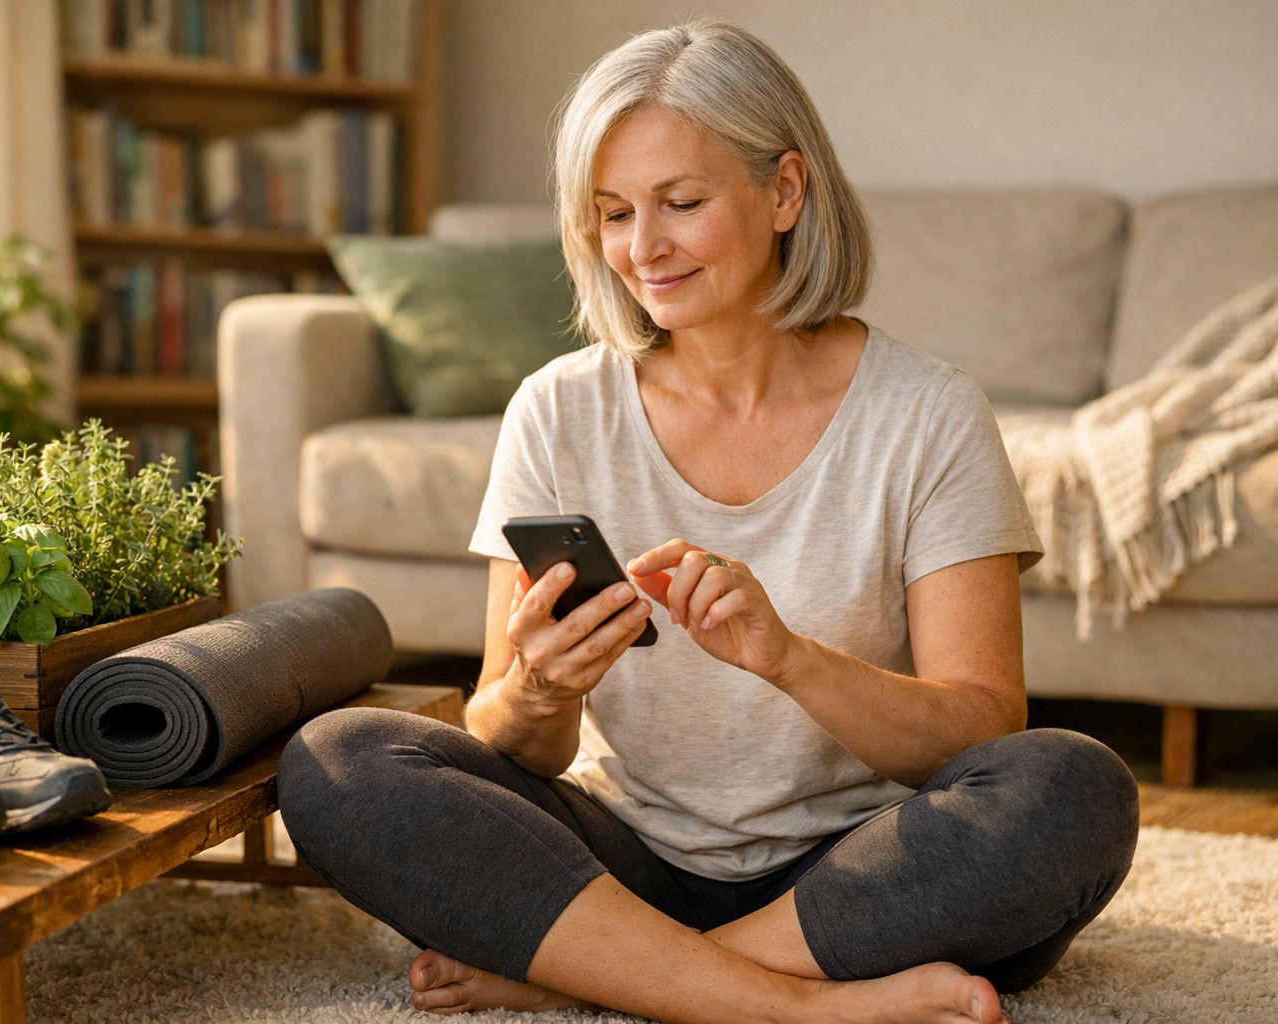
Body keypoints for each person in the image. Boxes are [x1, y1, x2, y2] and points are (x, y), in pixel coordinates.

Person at [277, 17, 1138, 1024]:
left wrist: (789, 658)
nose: (643, 250)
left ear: (784, 191)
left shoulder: (927, 413)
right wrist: (543, 687)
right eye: (612, 214)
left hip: (862, 875)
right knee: (338, 758)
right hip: (627, 864)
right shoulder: (558, 411)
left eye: (680, 203)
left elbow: (980, 728)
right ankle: (794, 1005)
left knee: (1072, 789)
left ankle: (607, 974)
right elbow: (514, 743)